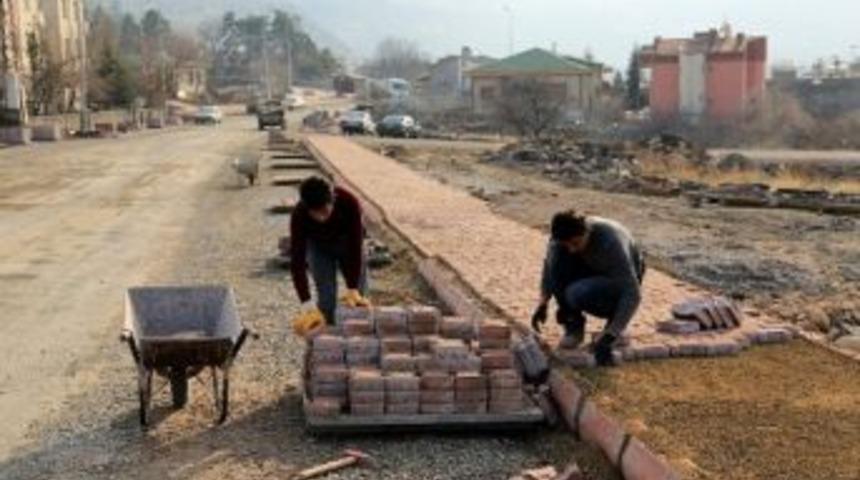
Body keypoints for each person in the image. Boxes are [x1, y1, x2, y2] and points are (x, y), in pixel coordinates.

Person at [531, 210, 645, 366]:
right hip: (591, 269)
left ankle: (614, 325)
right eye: (567, 244)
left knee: (577, 293)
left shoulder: (610, 242)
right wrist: (543, 301)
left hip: (620, 277)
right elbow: (549, 268)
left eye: (576, 243)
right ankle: (573, 326)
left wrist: (610, 336)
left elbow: (632, 292)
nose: (571, 249)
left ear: (587, 232)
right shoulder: (559, 240)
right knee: (559, 265)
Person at [290, 176, 370, 329]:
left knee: (359, 296)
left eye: (325, 211)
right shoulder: (299, 215)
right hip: (319, 247)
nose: (321, 218)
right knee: (326, 297)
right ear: (307, 209)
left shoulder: (349, 203)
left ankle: (360, 335)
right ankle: (328, 340)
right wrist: (305, 302)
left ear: (332, 200)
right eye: (316, 213)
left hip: (346, 244)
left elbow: (356, 247)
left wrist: (352, 287)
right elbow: (297, 261)